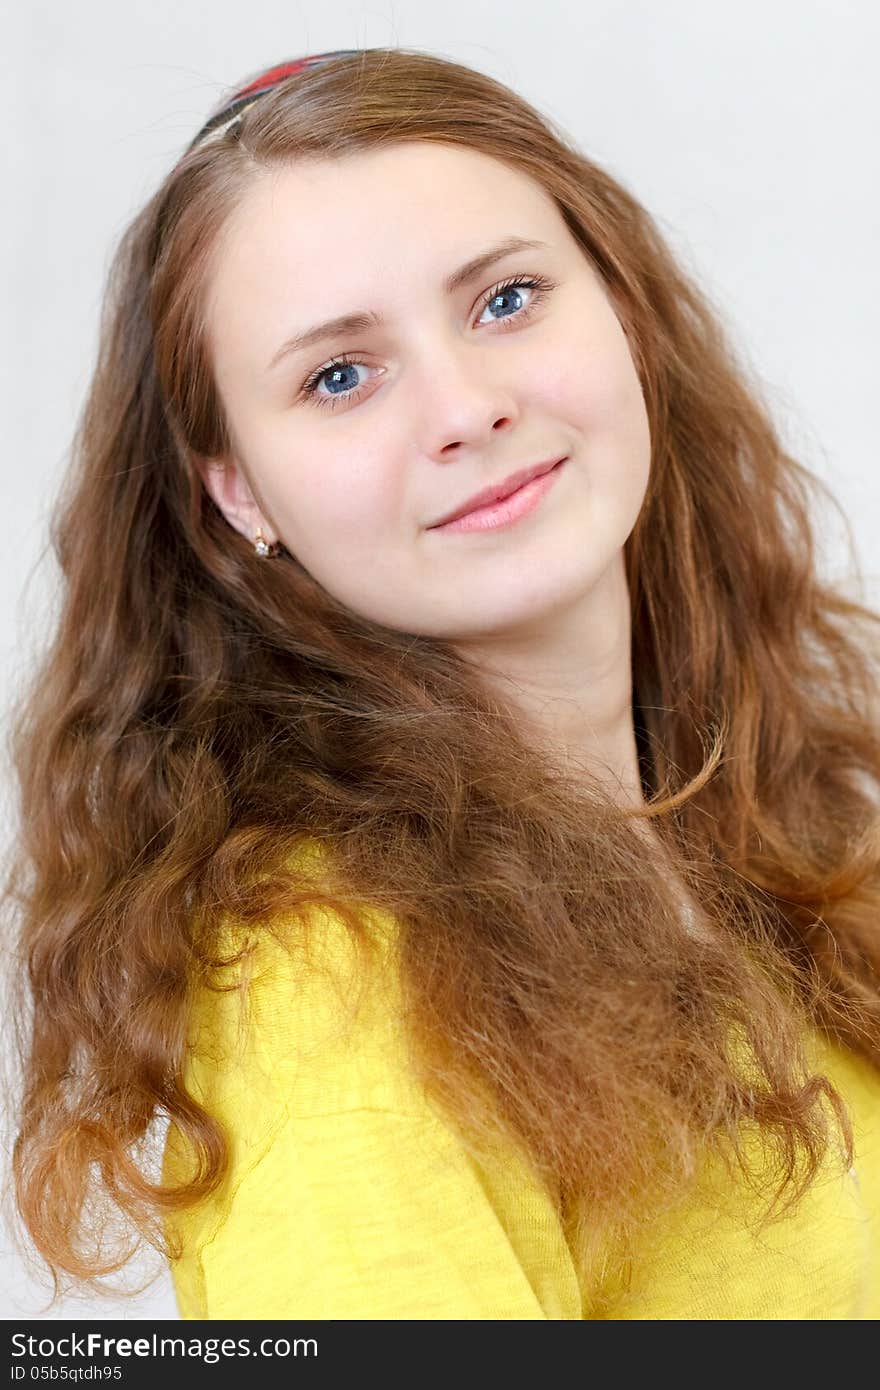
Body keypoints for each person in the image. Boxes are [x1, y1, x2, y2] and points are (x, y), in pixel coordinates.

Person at [5, 47, 880, 1321]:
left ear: (620, 302)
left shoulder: (747, 824)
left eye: (507, 298)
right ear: (239, 489)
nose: (465, 407)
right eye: (339, 376)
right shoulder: (332, 981)